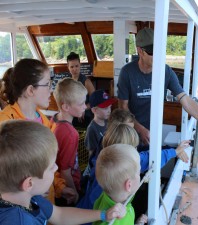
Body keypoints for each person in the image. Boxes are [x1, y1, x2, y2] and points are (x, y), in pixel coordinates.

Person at [117, 27, 198, 148]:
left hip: (153, 132)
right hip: (130, 132)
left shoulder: (166, 71)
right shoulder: (127, 73)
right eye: (152, 51)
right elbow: (123, 108)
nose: (158, 55)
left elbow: (186, 100)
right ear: (140, 51)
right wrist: (140, 129)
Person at [0, 120, 126, 225]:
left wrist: (103, 214)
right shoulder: (17, 221)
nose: (56, 168)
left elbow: (59, 215)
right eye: (51, 167)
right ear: (29, 183)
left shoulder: (30, 197)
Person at [0, 58, 76, 205]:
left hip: (46, 205)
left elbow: (46, 165)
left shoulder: (45, 122)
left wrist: (60, 187)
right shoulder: (5, 123)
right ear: (30, 90)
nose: (51, 89)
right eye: (47, 85)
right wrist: (32, 190)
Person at [51, 77, 87, 205]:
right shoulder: (71, 134)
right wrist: (74, 191)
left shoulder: (54, 119)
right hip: (67, 189)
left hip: (55, 184)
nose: (85, 107)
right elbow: (65, 171)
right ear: (65, 107)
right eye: (81, 104)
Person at [93, 144, 148, 225]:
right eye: (139, 172)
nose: (141, 174)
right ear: (129, 185)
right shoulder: (118, 221)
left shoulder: (106, 196)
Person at [85, 90, 118, 159]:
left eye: (110, 107)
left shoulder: (108, 122)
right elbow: (91, 153)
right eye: (105, 108)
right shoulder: (92, 129)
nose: (109, 110)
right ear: (94, 110)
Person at [67, 52, 95, 127]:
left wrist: (83, 109)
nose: (74, 69)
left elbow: (95, 101)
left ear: (80, 65)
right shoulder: (68, 82)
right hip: (72, 114)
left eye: (77, 66)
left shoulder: (86, 82)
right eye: (72, 67)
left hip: (85, 116)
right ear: (68, 67)